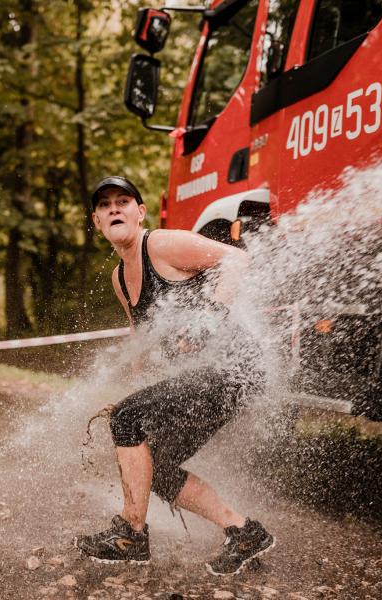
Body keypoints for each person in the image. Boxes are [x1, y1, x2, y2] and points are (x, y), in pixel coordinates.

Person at [73, 176, 275, 576]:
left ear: (140, 212)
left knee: (128, 420)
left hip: (235, 365)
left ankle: (131, 534)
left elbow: (238, 260)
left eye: (123, 201)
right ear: (96, 221)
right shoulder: (119, 278)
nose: (115, 208)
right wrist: (136, 394)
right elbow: (142, 342)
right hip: (209, 373)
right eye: (105, 205)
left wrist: (208, 318)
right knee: (155, 464)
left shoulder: (161, 244)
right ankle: (245, 532)